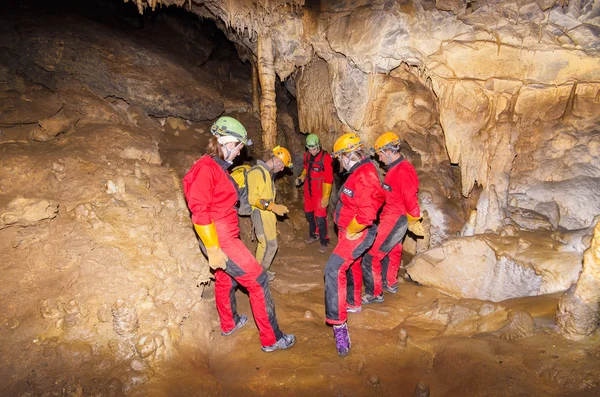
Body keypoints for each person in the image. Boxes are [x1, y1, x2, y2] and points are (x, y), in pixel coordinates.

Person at [182, 116, 295, 352]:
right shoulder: (206, 168)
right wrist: (213, 248)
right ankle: (272, 338)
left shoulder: (218, 168)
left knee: (225, 279)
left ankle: (229, 323)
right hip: (221, 240)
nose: (240, 152)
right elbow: (199, 210)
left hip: (224, 237)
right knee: (258, 280)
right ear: (227, 143)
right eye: (239, 146)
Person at [323, 133, 385, 357]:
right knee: (352, 265)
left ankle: (340, 327)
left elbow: (367, 214)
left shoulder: (366, 175)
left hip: (357, 232)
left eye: (340, 157)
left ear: (349, 155)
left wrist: (350, 230)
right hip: (349, 231)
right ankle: (354, 302)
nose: (339, 162)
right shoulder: (358, 172)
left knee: (333, 269)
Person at [361, 132, 425, 304]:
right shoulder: (394, 169)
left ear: (388, 151)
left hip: (396, 219)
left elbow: (410, 197)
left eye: (381, 154)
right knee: (394, 250)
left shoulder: (403, 171)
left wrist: (413, 219)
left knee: (372, 256)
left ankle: (375, 293)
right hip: (392, 217)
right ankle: (390, 283)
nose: (380, 159)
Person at [247, 146, 293, 281]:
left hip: (267, 216)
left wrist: (274, 209)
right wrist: (272, 206)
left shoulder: (267, 174)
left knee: (269, 245)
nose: (282, 169)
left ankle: (262, 271)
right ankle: (257, 276)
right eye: (283, 165)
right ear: (278, 162)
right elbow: (252, 198)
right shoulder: (257, 173)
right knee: (267, 245)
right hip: (260, 215)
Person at [296, 134, 334, 254]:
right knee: (309, 215)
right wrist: (302, 177)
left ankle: (324, 240)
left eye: (314, 149)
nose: (312, 151)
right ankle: (313, 235)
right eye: (309, 149)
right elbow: (306, 169)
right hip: (308, 191)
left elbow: (328, 178)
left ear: (318, 146)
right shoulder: (307, 156)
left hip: (319, 193)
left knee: (320, 218)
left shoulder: (325, 158)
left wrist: (326, 196)